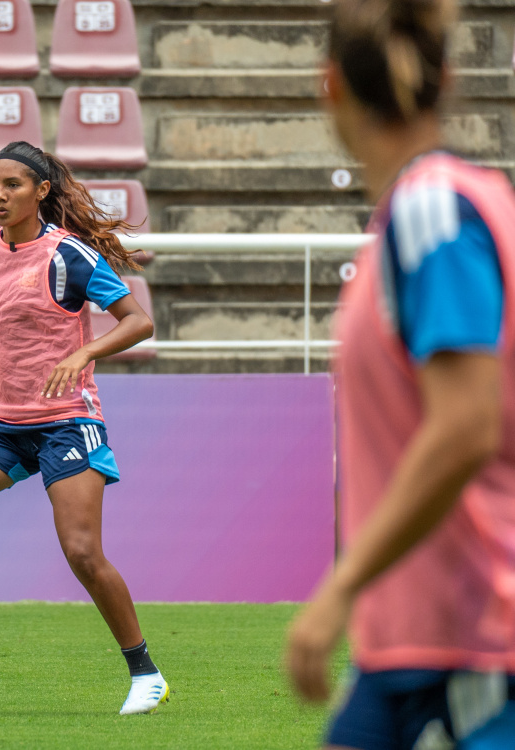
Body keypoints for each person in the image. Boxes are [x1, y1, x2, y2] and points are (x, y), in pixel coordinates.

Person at [285, 0, 515, 747]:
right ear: (447, 78)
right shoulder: (461, 207)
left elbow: (464, 428)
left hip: (469, 642)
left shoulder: (432, 214)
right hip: (413, 643)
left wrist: (339, 591)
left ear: (329, 87)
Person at [0, 141, 169, 715]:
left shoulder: (68, 256)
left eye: (12, 185)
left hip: (67, 422)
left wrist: (84, 353)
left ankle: (145, 671)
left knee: (81, 553)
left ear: (41, 191)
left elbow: (139, 322)